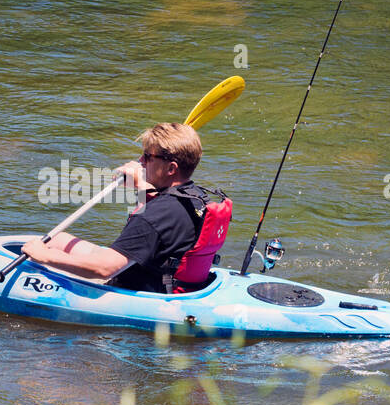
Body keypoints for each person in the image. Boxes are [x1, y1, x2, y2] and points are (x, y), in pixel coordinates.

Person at [21, 122, 232, 293]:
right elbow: (158, 220)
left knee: (40, 256)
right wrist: (142, 187)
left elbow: (104, 269)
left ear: (171, 168)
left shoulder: (156, 216)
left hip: (140, 286)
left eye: (147, 157)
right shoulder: (194, 196)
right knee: (57, 239)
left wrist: (44, 257)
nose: (140, 161)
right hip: (163, 275)